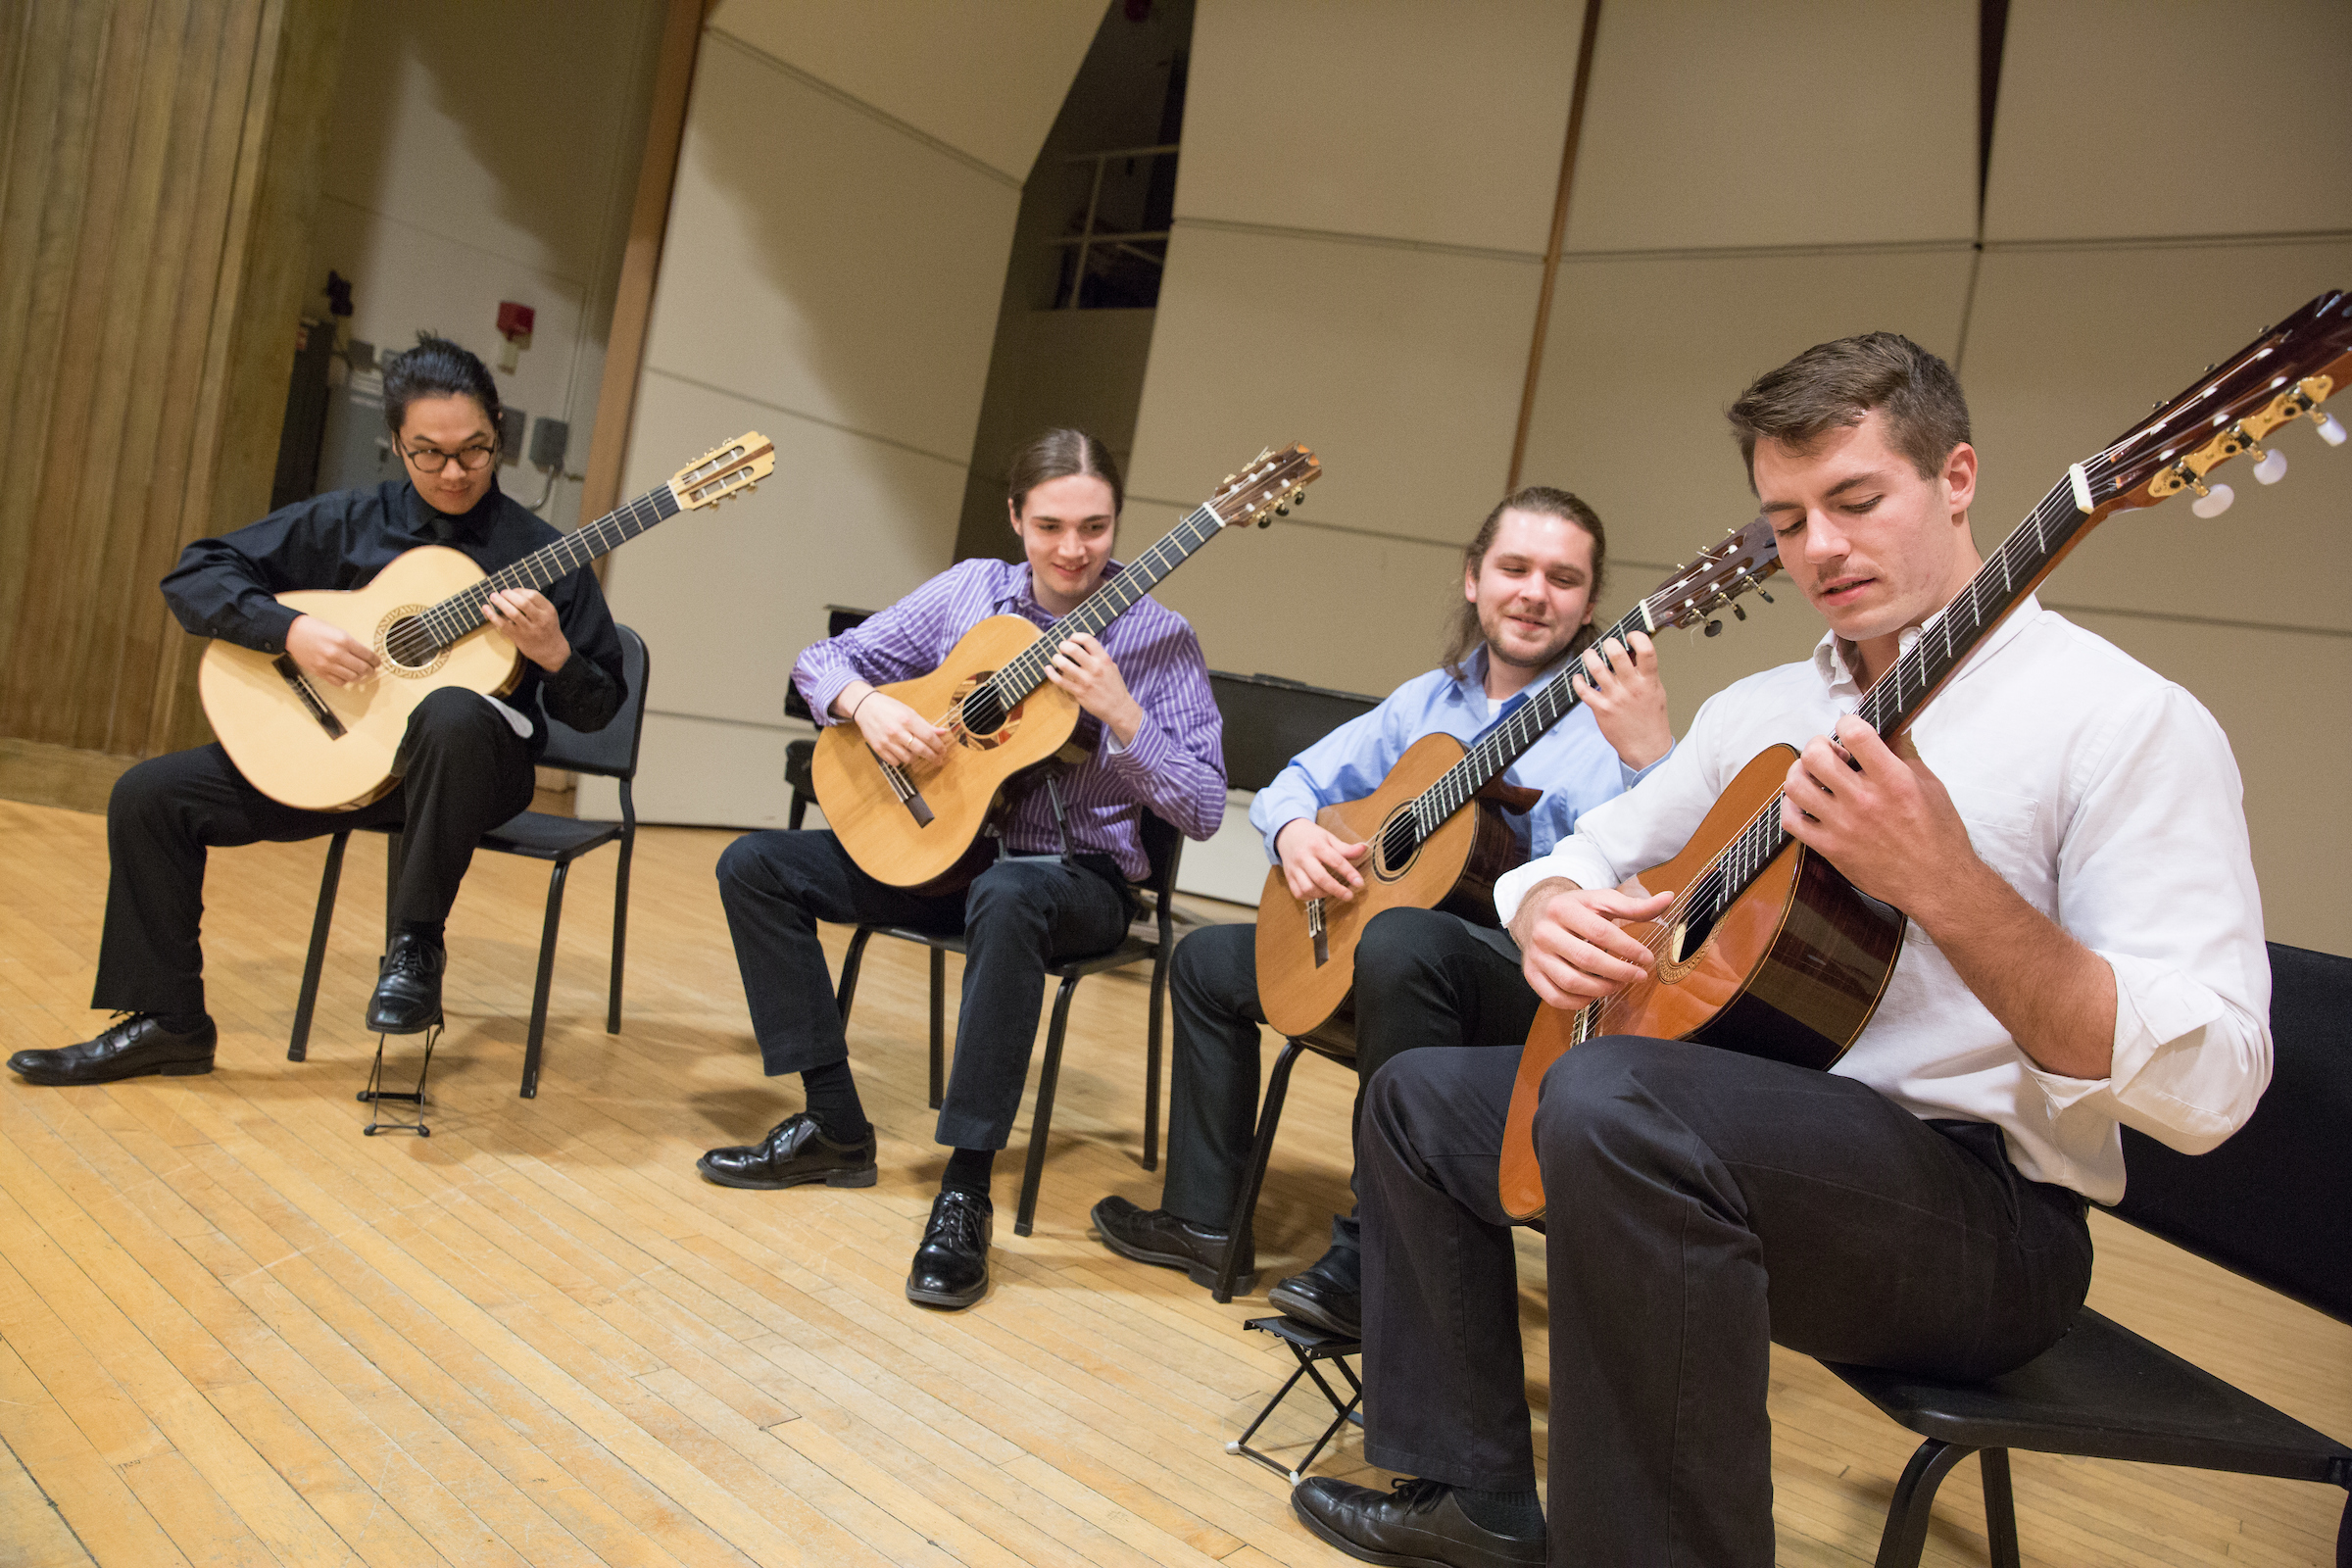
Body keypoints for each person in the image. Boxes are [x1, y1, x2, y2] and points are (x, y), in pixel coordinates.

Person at [1296, 333, 2272, 1568]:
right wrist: (1549, 912)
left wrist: (1948, 886)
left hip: (1987, 1224)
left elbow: (2217, 1085)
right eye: (1787, 518)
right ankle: (1468, 1496)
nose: (1819, 549)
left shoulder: (2122, 721)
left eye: (1857, 501)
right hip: (1747, 1133)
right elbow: (1576, 852)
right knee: (1420, 1098)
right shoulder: (1762, 709)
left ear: (1958, 478)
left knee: (1610, 1103)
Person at [1090, 487, 1673, 1336]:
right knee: (1207, 962)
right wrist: (1295, 834)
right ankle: (1203, 1222)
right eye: (1514, 568)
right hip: (1395, 960)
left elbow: (1674, 869)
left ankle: (1374, 1253)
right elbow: (1297, 782)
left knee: (1404, 941)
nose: (1534, 592)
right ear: (1474, 579)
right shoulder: (1424, 703)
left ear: (1590, 603)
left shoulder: (1611, 720)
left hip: (1520, 995)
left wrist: (1652, 752)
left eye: (1562, 577)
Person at [8, 333, 628, 1087]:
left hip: (473, 774)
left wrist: (556, 655)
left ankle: (415, 948)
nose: (454, 472)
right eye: (427, 452)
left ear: (497, 428)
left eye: (475, 450)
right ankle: (166, 1023)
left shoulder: (545, 554)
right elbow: (195, 574)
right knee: (150, 796)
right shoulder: (349, 522)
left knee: (455, 714)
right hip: (351, 759)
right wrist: (290, 630)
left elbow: (599, 709)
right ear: (396, 440)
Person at [699, 428, 1226, 1311]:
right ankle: (833, 1125)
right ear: (1016, 516)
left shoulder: (1161, 636)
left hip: (1072, 883)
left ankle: (965, 1189)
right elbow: (821, 662)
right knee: (754, 864)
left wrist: (1123, 716)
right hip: (944, 857)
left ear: (1117, 523)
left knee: (1011, 894)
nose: (1072, 549)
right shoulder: (971, 591)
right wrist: (867, 707)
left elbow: (1205, 808)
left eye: (1094, 527)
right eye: (1051, 524)